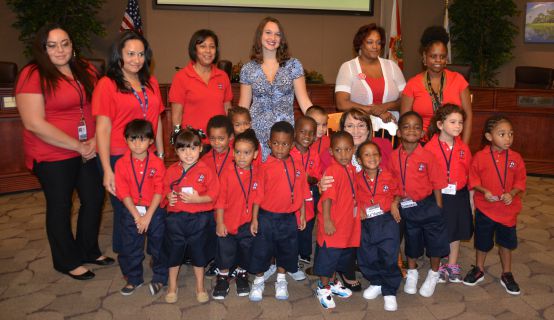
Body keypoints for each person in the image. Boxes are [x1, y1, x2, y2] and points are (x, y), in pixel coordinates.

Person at [15, 24, 113, 280]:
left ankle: (88, 249)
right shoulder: (32, 73)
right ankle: (66, 260)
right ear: (42, 47)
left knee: (93, 198)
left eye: (65, 43)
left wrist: (93, 139)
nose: (60, 50)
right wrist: (78, 145)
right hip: (52, 153)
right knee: (60, 206)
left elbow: (101, 106)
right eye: (52, 44)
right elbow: (33, 122)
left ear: (72, 45)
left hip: (88, 149)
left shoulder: (86, 68)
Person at [93, 31, 165, 254]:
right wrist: (107, 169)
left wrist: (160, 154)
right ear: (119, 55)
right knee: (127, 209)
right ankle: (128, 257)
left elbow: (157, 120)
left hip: (149, 156)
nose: (136, 59)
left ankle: (152, 251)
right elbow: (102, 129)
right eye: (130, 54)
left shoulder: (151, 82)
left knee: (152, 204)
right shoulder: (107, 84)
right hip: (119, 157)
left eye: (141, 54)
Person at [463, 115, 526, 295]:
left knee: (506, 244)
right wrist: (484, 191)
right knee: (482, 242)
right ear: (489, 137)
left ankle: (507, 273)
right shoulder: (480, 157)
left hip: (507, 211)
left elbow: (521, 181)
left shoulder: (516, 158)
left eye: (511, 134)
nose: (508, 138)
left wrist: (512, 193)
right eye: (502, 134)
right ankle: (479, 269)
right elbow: (473, 180)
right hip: (485, 209)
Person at [389, 111, 449, 298]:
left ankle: (433, 273)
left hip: (428, 205)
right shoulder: (393, 156)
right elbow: (392, 182)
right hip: (407, 207)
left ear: (422, 133)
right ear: (398, 132)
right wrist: (396, 201)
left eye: (416, 127)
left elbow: (437, 182)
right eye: (406, 126)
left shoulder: (428, 156)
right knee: (412, 240)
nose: (411, 130)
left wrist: (438, 207)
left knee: (435, 242)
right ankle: (413, 273)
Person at [248, 121, 309, 302]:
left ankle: (281, 280)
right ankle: (258, 281)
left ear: (291, 145)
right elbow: (257, 196)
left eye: (284, 144)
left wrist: (302, 214)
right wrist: (254, 219)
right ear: (269, 143)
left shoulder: (298, 166)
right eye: (275, 143)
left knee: (287, 250)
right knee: (261, 249)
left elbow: (303, 192)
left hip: (289, 217)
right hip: (266, 217)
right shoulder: (264, 167)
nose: (280, 147)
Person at [238, 16, 313, 161]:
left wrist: (318, 122)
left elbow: (304, 102)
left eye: (277, 34)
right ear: (260, 36)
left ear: (282, 39)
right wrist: (239, 134)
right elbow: (243, 107)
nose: (273, 37)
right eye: (268, 32)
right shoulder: (248, 69)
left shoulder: (293, 65)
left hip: (283, 136)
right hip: (256, 134)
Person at [162, 128, 219, 304]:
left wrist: (198, 199)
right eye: (183, 149)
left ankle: (200, 286)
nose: (188, 153)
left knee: (198, 253)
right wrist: (168, 196)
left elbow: (214, 194)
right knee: (174, 252)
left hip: (198, 219)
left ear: (200, 148)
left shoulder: (206, 170)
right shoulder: (171, 170)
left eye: (193, 148)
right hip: (176, 220)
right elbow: (164, 188)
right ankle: (172, 286)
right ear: (176, 151)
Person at [114, 119, 167, 296]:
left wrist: (148, 216)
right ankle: (134, 278)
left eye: (142, 139)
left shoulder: (157, 163)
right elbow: (123, 192)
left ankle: (160, 277)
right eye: (132, 139)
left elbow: (160, 191)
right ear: (126, 140)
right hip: (131, 211)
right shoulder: (121, 164)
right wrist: (137, 216)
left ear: (151, 141)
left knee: (159, 245)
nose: (137, 144)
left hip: (154, 210)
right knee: (130, 246)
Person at [424, 104, 473, 283]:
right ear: (440, 125)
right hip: (437, 195)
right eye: (452, 122)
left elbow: (469, 173)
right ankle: (436, 266)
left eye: (460, 122)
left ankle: (451, 265)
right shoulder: (430, 148)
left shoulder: (463, 148)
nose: (458, 126)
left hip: (458, 195)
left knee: (457, 229)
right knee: (439, 230)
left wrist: (471, 199)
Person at [401, 26, 472, 144]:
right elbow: (405, 120)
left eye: (442, 57)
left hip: (452, 143)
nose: (438, 60)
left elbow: (468, 116)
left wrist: (463, 148)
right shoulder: (413, 84)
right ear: (424, 57)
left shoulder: (458, 80)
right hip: (422, 143)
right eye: (433, 56)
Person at [212, 129, 260, 299]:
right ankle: (223, 277)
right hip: (227, 222)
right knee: (225, 252)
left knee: (245, 251)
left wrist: (254, 219)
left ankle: (241, 274)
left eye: (246, 153)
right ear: (233, 152)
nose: (241, 157)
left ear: (255, 154)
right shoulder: (226, 174)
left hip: (246, 222)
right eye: (238, 152)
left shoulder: (257, 173)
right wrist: (219, 222)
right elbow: (219, 200)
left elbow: (256, 199)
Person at [314, 131, 360, 309]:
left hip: (345, 225)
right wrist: (326, 220)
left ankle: (332, 284)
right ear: (331, 152)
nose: (343, 154)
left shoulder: (349, 168)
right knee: (327, 259)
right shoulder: (333, 170)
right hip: (332, 226)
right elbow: (327, 198)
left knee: (337, 258)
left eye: (347, 149)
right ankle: (323, 287)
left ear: (353, 150)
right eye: (338, 150)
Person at [355, 141, 402, 311]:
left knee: (389, 256)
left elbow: (398, 193)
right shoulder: (356, 178)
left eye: (375, 154)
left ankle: (389, 290)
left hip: (387, 221)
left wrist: (395, 203)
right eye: (366, 154)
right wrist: (357, 209)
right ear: (359, 160)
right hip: (365, 222)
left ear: (381, 157)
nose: (372, 158)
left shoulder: (389, 175)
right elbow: (352, 197)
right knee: (367, 255)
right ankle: (376, 281)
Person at [335, 23, 405, 123]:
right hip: (359, 129)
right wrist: (374, 111)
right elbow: (341, 103)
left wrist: (384, 107)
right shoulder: (348, 67)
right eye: (369, 42)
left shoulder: (392, 66)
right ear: (360, 44)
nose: (375, 46)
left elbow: (406, 100)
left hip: (392, 127)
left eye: (378, 42)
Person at [169, 29, 233, 138]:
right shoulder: (181, 77)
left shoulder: (223, 76)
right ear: (194, 50)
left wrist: (231, 134)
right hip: (192, 144)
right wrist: (177, 139)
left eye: (212, 47)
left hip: (219, 142)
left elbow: (228, 109)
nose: (208, 51)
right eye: (202, 46)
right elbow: (176, 116)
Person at [200, 115, 235, 278]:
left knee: (229, 236)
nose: (217, 143)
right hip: (211, 205)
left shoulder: (238, 157)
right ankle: (216, 261)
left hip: (232, 205)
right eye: (213, 138)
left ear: (230, 138)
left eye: (221, 138)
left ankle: (232, 263)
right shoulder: (205, 160)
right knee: (213, 235)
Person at [290, 116, 321, 274]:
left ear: (315, 136)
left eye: (311, 133)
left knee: (307, 223)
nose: (307, 136)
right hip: (291, 195)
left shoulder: (314, 155)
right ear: (295, 132)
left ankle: (304, 252)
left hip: (309, 194)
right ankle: (291, 253)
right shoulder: (288, 151)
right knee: (293, 223)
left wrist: (304, 177)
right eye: (302, 132)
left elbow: (315, 178)